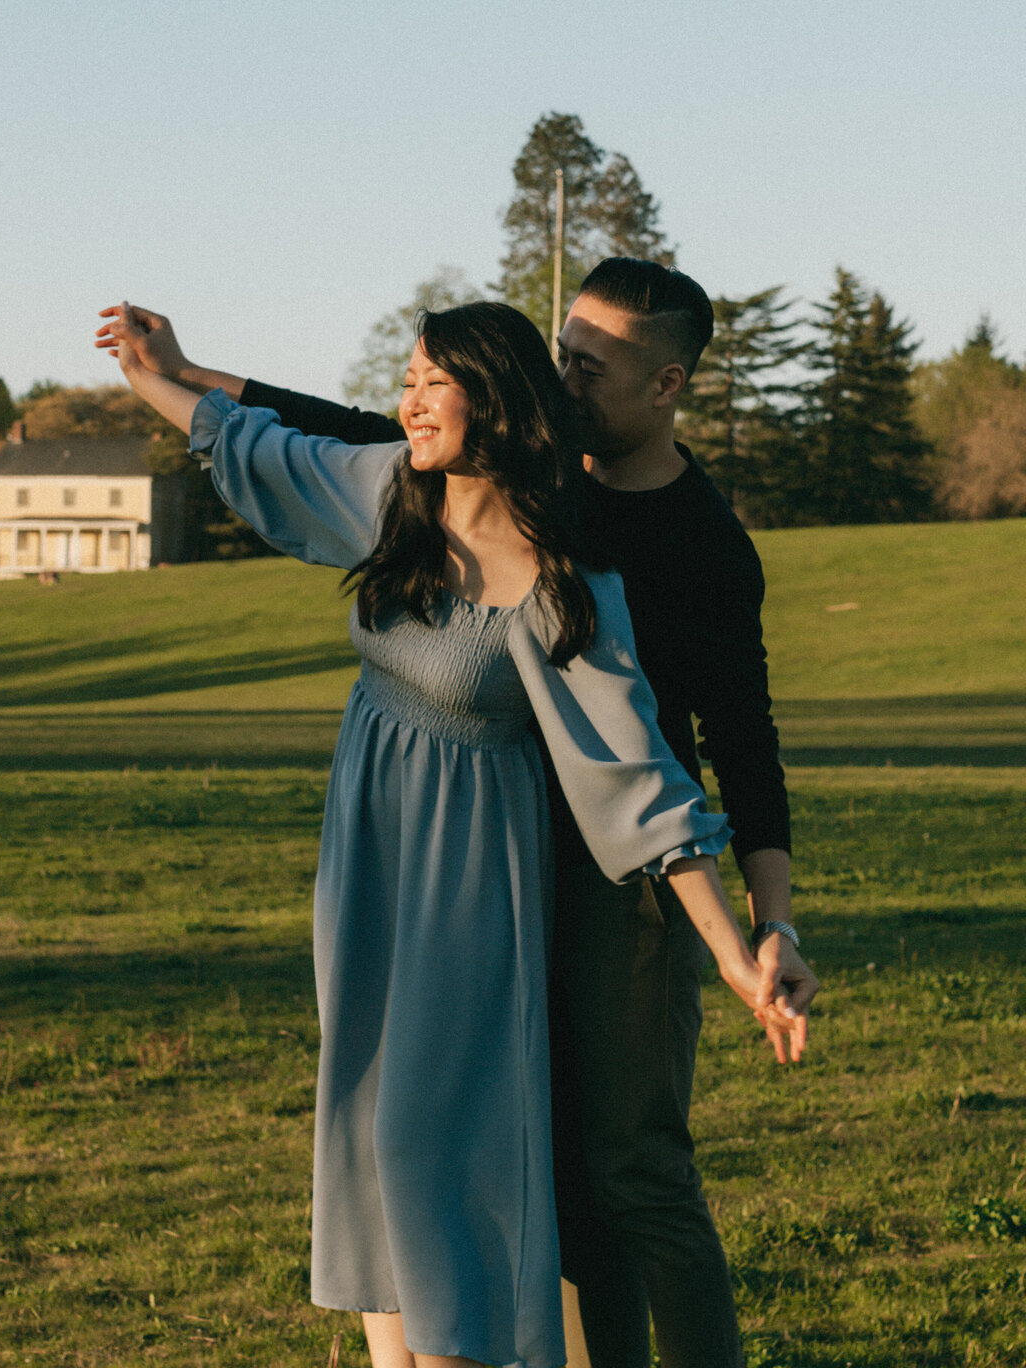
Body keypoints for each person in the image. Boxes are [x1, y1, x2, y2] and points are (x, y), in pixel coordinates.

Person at [97, 260, 819, 1368]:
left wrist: (760, 928)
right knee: (463, 1145)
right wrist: (178, 373)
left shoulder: (667, 548)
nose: (567, 378)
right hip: (424, 857)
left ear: (667, 382)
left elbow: (709, 750)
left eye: (593, 366)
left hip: (587, 877)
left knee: (627, 1169)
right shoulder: (446, 481)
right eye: (559, 356)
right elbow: (324, 440)